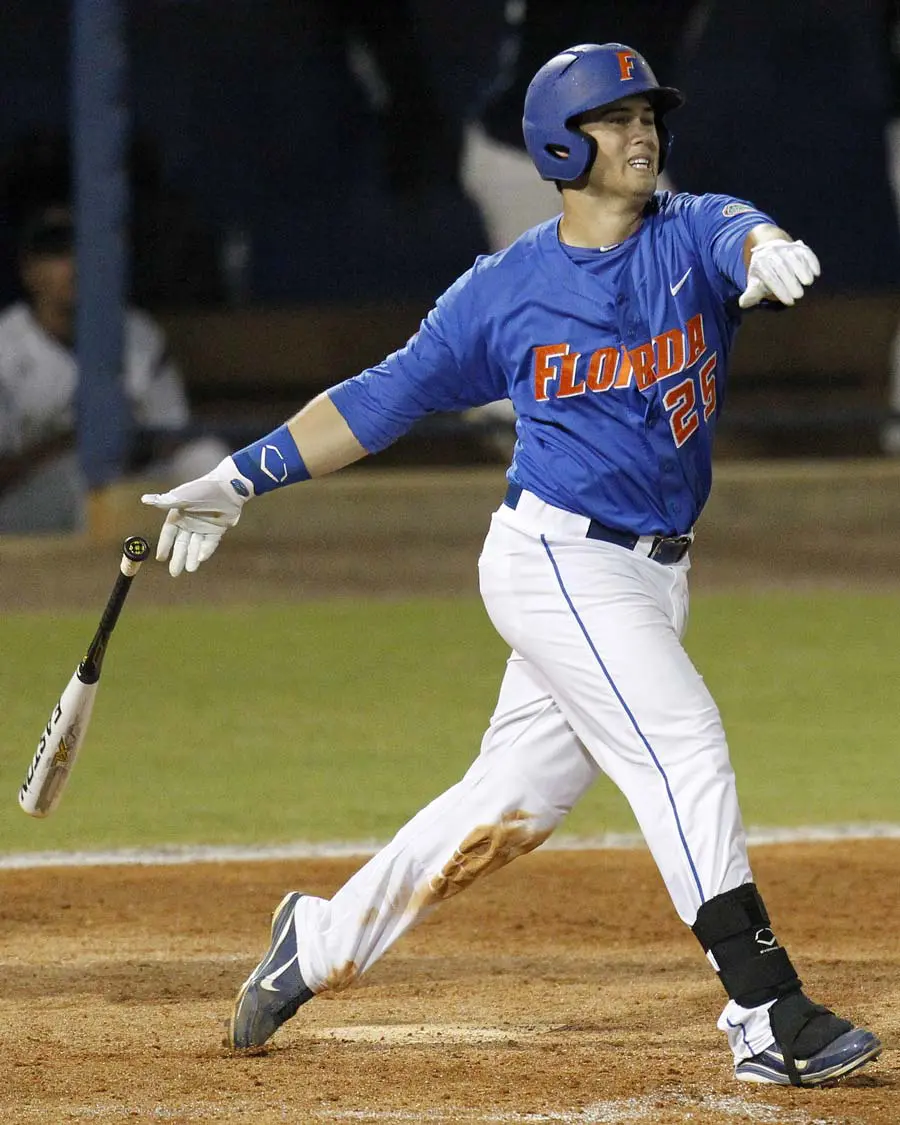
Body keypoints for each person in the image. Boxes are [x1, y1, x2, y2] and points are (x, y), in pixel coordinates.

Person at [141, 44, 882, 1087]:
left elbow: (738, 231)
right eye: (614, 120)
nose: (641, 135)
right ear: (556, 143)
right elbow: (377, 400)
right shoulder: (505, 291)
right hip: (557, 561)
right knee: (683, 741)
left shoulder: (691, 232)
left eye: (646, 117)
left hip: (653, 573)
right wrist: (240, 476)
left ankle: (316, 940)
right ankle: (767, 1010)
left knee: (513, 804)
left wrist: (764, 246)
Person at [0, 204, 227, 533]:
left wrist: (126, 436)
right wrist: (78, 439)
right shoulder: (6, 345)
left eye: (83, 249)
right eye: (56, 253)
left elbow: (172, 432)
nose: (73, 264)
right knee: (83, 479)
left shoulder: (140, 336)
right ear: (29, 271)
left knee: (208, 459)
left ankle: (220, 578)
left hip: (129, 483)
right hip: (28, 502)